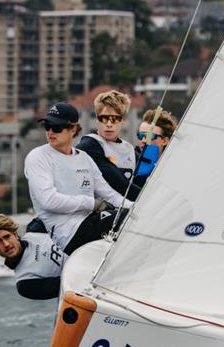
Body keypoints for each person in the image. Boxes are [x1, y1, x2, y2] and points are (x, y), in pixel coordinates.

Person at [24, 102, 127, 256]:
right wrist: (92, 204)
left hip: (91, 222)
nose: (51, 132)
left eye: (57, 127)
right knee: (127, 220)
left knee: (134, 216)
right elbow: (48, 201)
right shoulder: (38, 157)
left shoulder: (85, 158)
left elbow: (109, 195)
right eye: (47, 126)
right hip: (69, 235)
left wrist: (138, 207)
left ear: (73, 129)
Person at [0, 214, 65, 300]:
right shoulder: (26, 284)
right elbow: (69, 285)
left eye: (7, 237)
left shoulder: (36, 228)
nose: (6, 244)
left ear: (15, 235)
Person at [78, 90, 140, 201]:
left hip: (127, 212)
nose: (109, 124)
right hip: (95, 212)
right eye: (104, 118)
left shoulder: (130, 150)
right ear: (97, 119)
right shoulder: (88, 146)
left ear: (123, 120)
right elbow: (119, 184)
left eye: (115, 119)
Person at [135, 108, 178, 183]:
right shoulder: (130, 160)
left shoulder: (174, 168)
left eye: (150, 136)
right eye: (141, 135)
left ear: (164, 141)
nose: (144, 140)